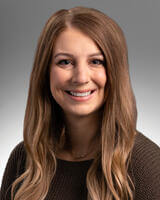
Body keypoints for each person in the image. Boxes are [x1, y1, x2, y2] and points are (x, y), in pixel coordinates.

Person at [0, 6, 160, 200]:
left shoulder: (145, 165)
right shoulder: (24, 160)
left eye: (96, 61)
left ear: (115, 72)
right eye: (65, 62)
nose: (81, 78)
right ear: (45, 72)